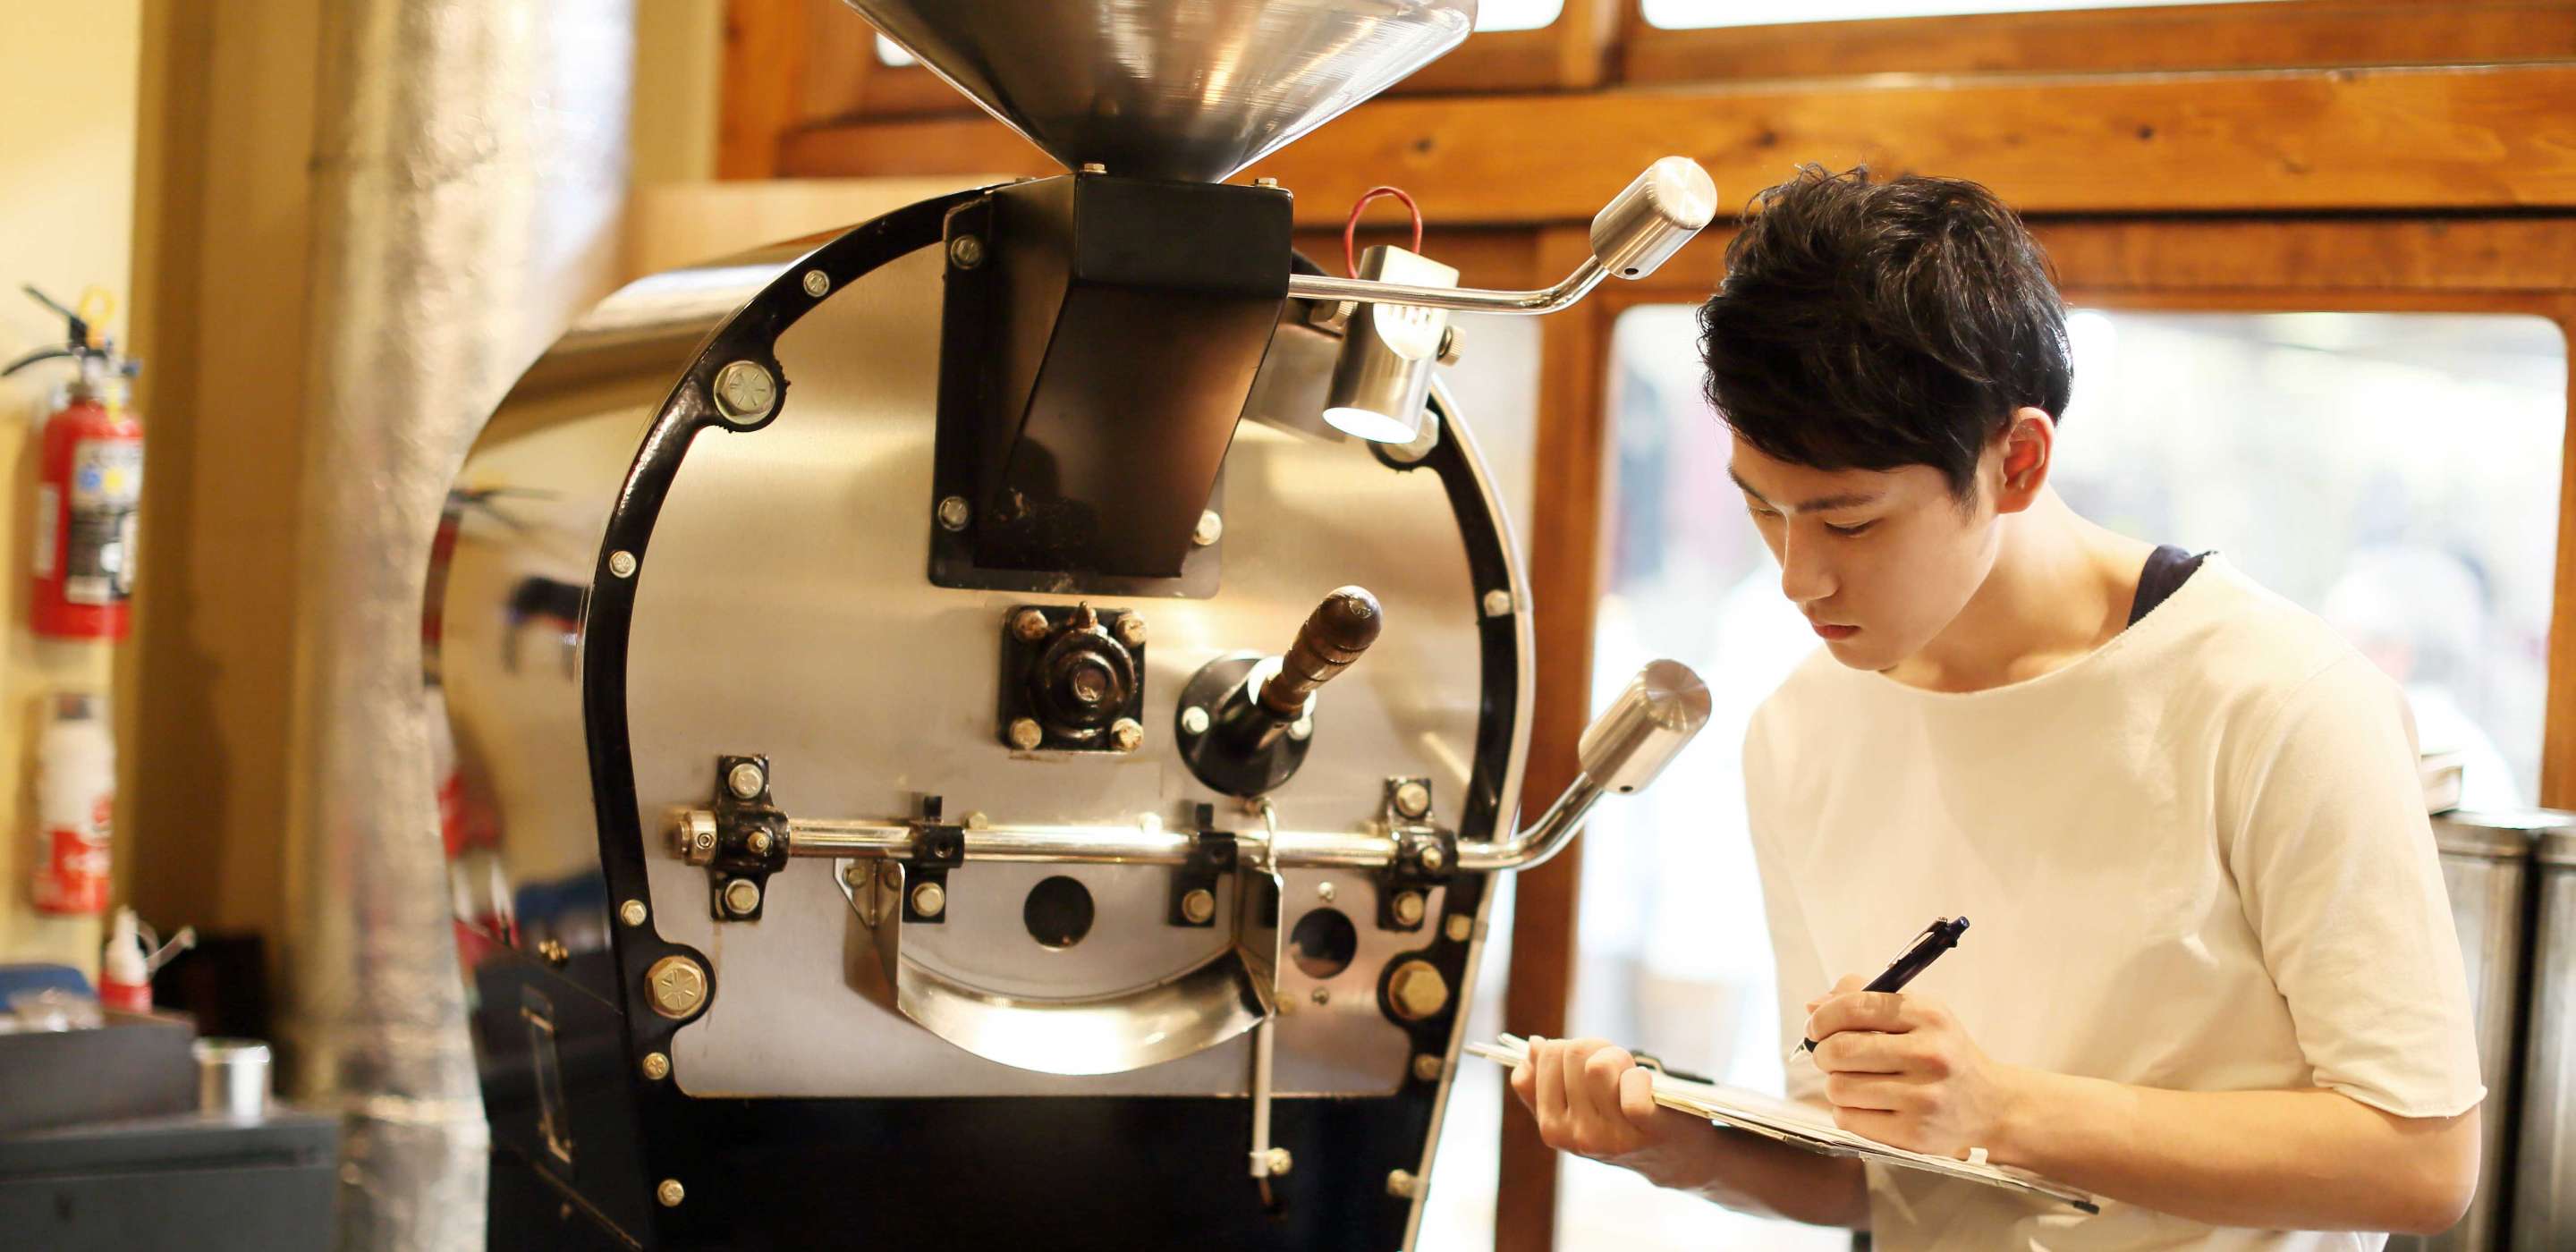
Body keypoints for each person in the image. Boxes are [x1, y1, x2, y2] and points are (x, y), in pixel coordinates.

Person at [1507, 166, 2484, 1249]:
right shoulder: (1800, 724)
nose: (1797, 576)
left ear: (2016, 459)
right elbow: (1871, 1165)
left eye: (1852, 522)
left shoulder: (2280, 700)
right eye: (1763, 509)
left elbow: (2422, 1156)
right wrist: (1686, 1150)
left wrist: (2009, 1110)